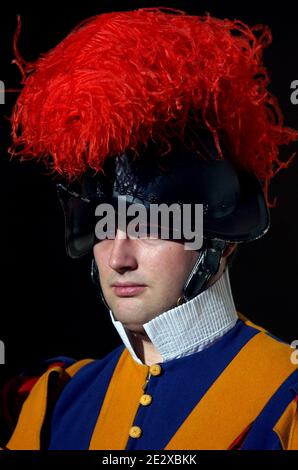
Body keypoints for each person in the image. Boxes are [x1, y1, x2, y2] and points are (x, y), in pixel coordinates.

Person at [1, 7, 298, 450]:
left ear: (219, 241)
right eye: (104, 225)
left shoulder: (287, 396)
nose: (119, 257)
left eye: (151, 225)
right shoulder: (56, 401)